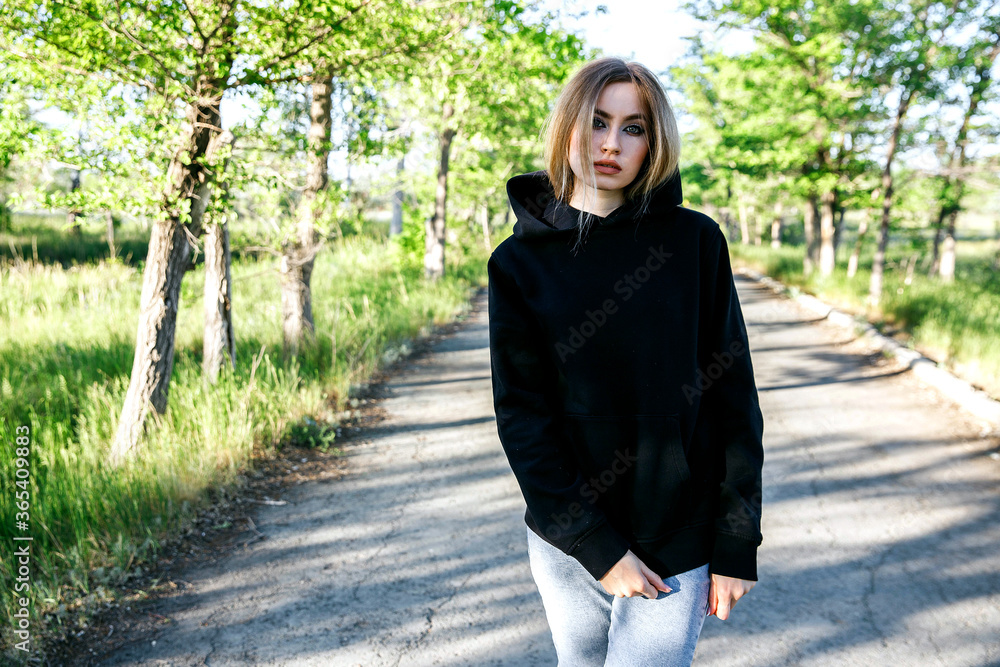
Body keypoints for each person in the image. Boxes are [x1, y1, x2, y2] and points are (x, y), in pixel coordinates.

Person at [487, 56, 765, 666]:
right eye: (598, 122)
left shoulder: (694, 243)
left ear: (654, 141)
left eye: (634, 128)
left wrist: (737, 541)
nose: (612, 144)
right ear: (568, 128)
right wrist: (595, 545)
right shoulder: (518, 263)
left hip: (678, 537)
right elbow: (523, 418)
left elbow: (734, 400)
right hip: (569, 540)